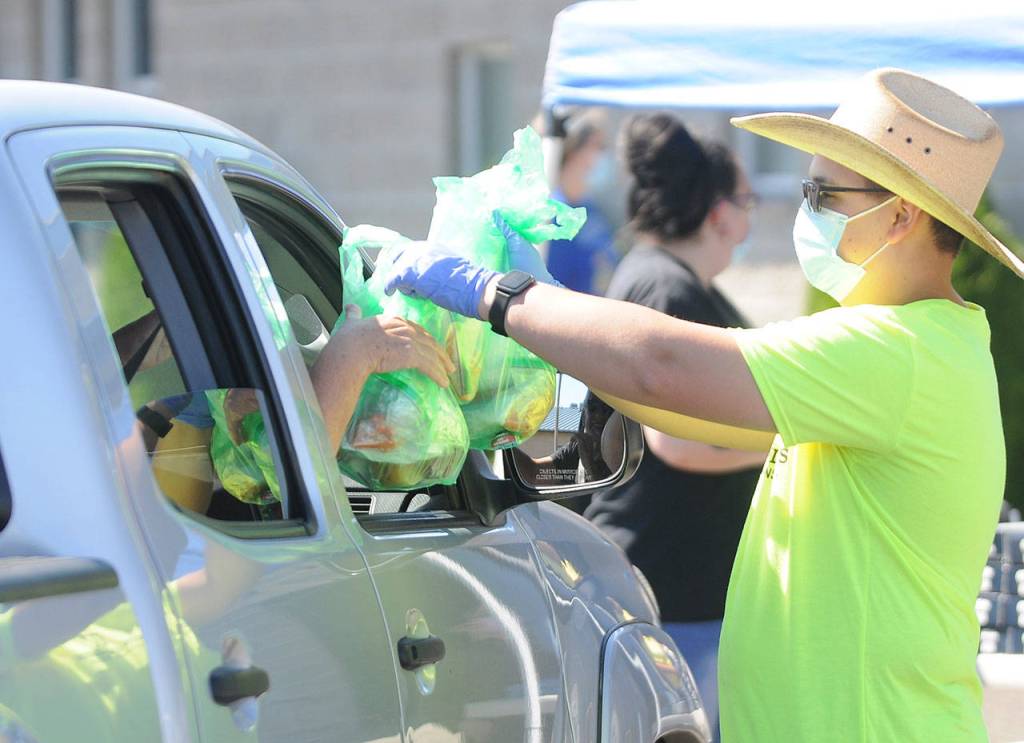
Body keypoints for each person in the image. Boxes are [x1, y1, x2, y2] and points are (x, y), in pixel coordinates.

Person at [383, 68, 1024, 742]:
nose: (807, 211)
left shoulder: (899, 350)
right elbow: (678, 405)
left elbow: (663, 369)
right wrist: (545, 326)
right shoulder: (910, 346)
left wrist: (499, 296)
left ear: (899, 216)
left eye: (824, 193)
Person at [580, 112, 767, 738]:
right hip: (674, 586)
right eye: (748, 201)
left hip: (679, 581)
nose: (749, 221)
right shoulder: (667, 289)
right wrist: (786, 447)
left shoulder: (663, 279)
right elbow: (680, 442)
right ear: (717, 212)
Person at [545, 109, 619, 293]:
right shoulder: (549, 219)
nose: (603, 157)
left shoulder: (591, 210)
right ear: (572, 151)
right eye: (597, 147)